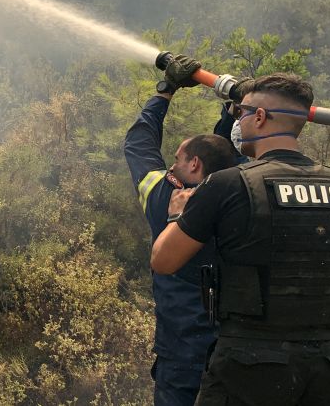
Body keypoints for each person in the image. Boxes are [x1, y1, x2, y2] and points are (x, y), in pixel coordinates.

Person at [151, 73, 330, 406]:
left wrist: (178, 215)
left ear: (261, 117)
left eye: (241, 114)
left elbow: (163, 261)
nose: (238, 121)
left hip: (247, 365)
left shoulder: (228, 184)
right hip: (327, 365)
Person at [124, 54, 238, 406]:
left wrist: (167, 89)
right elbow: (226, 160)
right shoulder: (244, 196)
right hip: (238, 352)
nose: (172, 165)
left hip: (182, 354)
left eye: (177, 159)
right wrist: (232, 111)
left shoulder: (165, 198)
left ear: (193, 164)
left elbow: (138, 144)